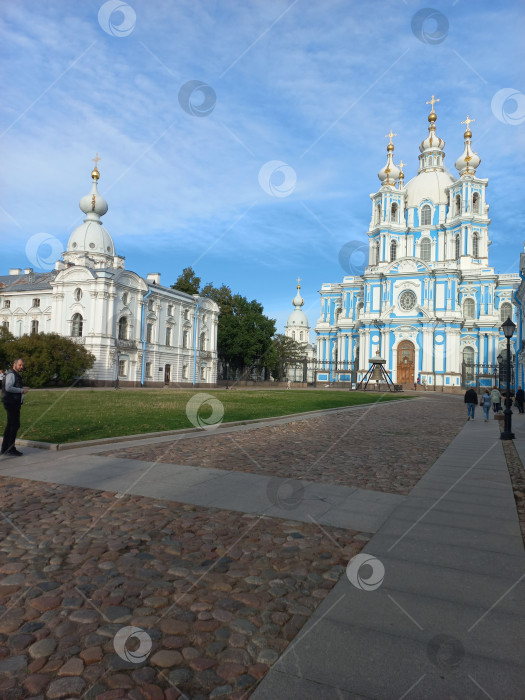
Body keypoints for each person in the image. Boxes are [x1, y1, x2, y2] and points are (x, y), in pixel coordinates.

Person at [1, 358, 28, 457]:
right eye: (20, 365)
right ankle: (10, 449)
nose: (21, 367)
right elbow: (8, 387)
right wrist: (21, 390)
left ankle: (5, 448)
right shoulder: (11, 374)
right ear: (14, 365)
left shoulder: (14, 374)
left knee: (10, 425)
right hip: (11, 403)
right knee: (14, 425)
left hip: (12, 402)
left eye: (22, 365)